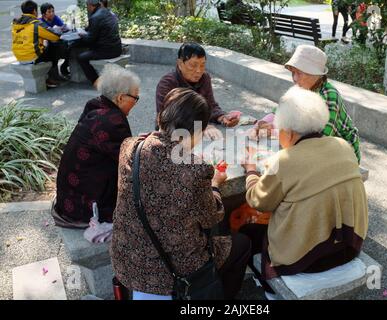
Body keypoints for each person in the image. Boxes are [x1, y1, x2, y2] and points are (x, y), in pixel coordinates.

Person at [111, 88, 251, 300]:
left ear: (160, 117)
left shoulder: (130, 147)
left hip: (128, 259)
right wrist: (213, 185)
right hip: (172, 273)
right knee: (241, 244)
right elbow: (211, 218)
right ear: (199, 131)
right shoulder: (195, 169)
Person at [241, 86, 368, 299]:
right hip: (349, 247)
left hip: (306, 261)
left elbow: (257, 200)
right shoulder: (343, 146)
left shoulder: (284, 161)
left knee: (249, 232)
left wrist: (251, 169)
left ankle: (269, 290)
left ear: (288, 132)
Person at [52, 65, 140, 228]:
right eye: (135, 98)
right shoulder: (111, 122)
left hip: (69, 197)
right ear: (120, 98)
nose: (136, 102)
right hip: (83, 207)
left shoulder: (96, 104)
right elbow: (130, 158)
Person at [251, 44, 361, 163]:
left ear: (316, 75)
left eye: (299, 73)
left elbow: (321, 137)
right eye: (293, 73)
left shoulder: (329, 96)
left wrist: (277, 131)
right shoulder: (303, 87)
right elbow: (281, 111)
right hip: (314, 149)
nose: (295, 79)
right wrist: (264, 123)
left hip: (342, 155)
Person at [155, 42, 241, 140]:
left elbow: (210, 105)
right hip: (172, 136)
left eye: (202, 65)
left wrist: (222, 117)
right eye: (193, 65)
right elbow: (167, 119)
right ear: (180, 63)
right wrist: (202, 127)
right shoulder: (167, 83)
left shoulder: (205, 78)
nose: (199, 70)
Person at [11, 0, 63, 87]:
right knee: (54, 48)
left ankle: (48, 77)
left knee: (45, 47)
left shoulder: (16, 23)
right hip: (32, 58)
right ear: (35, 11)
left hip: (19, 56)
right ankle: (48, 78)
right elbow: (55, 36)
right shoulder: (35, 24)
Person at [77, 0, 122, 87]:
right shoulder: (107, 12)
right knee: (89, 50)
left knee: (81, 57)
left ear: (90, 5)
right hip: (117, 48)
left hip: (106, 51)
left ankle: (96, 81)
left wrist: (81, 35)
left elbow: (90, 40)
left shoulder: (95, 17)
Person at [39, 3, 71, 78]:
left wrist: (63, 28)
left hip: (57, 42)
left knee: (70, 49)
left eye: (53, 11)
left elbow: (63, 26)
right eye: (49, 12)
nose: (52, 13)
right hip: (46, 45)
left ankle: (64, 67)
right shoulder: (40, 21)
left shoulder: (55, 18)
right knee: (53, 52)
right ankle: (53, 75)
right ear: (44, 14)